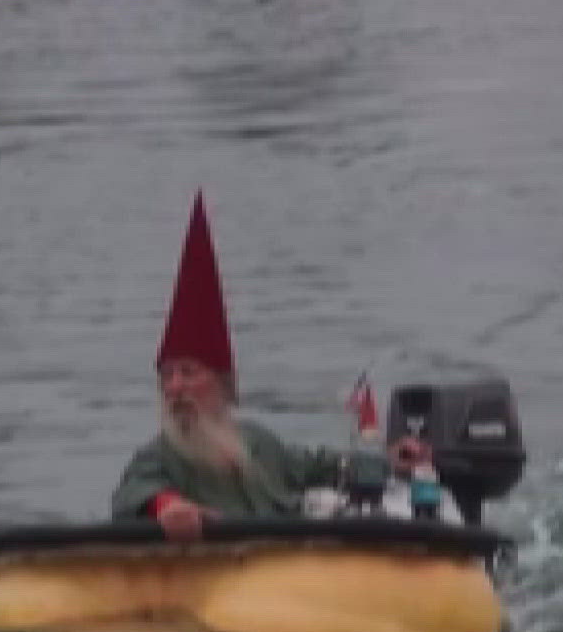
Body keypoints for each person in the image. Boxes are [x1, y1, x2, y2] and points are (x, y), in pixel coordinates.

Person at [110, 192, 430, 541]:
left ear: (223, 385)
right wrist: (167, 507)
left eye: (187, 373)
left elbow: (318, 465)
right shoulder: (159, 457)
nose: (174, 387)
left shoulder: (258, 444)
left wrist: (390, 460)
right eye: (167, 376)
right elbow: (136, 493)